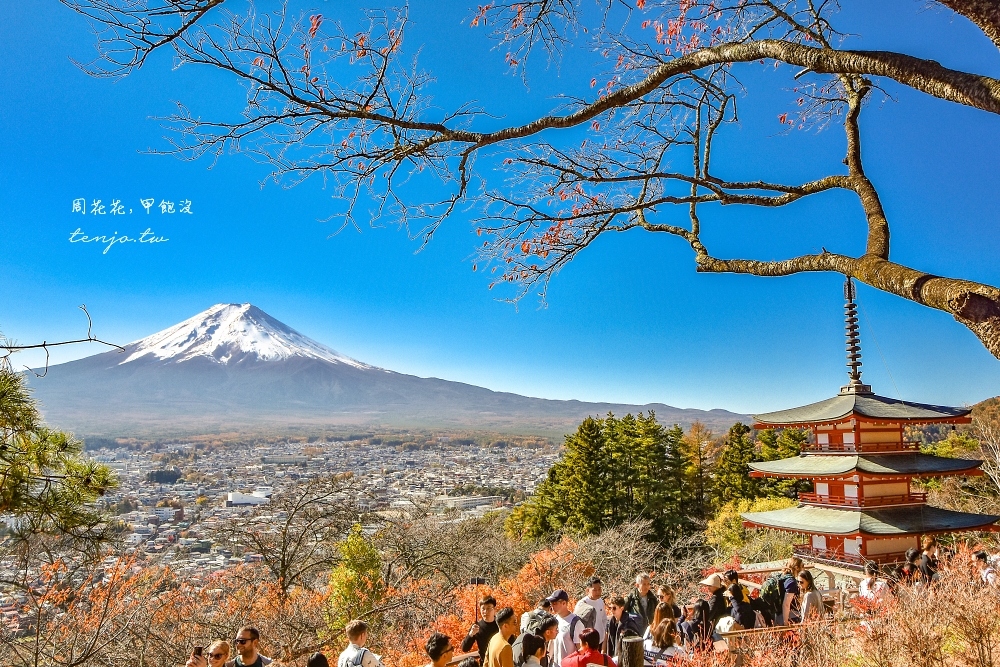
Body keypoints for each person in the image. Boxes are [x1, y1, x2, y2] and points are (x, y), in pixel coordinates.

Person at [547, 589, 584, 667]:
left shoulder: (576, 623)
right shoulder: (554, 619)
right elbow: (552, 642)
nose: (552, 606)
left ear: (564, 603)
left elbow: (581, 649)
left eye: (554, 603)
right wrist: (547, 660)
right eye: (551, 603)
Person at [462, 596, 501, 663]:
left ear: (494, 609)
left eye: (489, 608)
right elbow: (465, 648)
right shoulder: (477, 627)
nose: (485, 611)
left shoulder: (500, 625)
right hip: (484, 663)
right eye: (483, 609)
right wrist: (471, 634)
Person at [574, 576, 608, 646]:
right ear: (587, 590)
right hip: (588, 642)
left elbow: (604, 619)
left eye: (599, 589)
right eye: (594, 590)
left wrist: (604, 632)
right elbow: (576, 624)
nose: (598, 592)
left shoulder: (600, 601)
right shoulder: (582, 604)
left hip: (600, 639)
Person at [778, 558, 804, 625]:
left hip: (777, 614)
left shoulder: (782, 576)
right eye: (802, 566)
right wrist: (785, 623)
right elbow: (786, 604)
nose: (803, 568)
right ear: (796, 568)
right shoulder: (791, 582)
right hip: (789, 615)